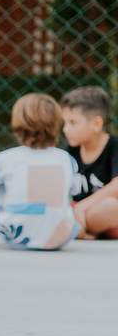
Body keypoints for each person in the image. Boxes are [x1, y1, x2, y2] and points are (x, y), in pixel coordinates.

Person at [0, 94, 79, 250]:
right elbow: (73, 189)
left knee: (2, 184)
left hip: (14, 237)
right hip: (59, 237)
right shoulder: (66, 159)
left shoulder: (5, 158)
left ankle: (12, 219)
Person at [60, 86, 118, 239]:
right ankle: (82, 230)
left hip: (107, 217)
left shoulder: (114, 147)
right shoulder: (71, 151)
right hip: (79, 214)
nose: (65, 129)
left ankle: (76, 230)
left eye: (73, 122)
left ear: (96, 124)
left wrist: (82, 207)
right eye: (64, 122)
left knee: (111, 206)